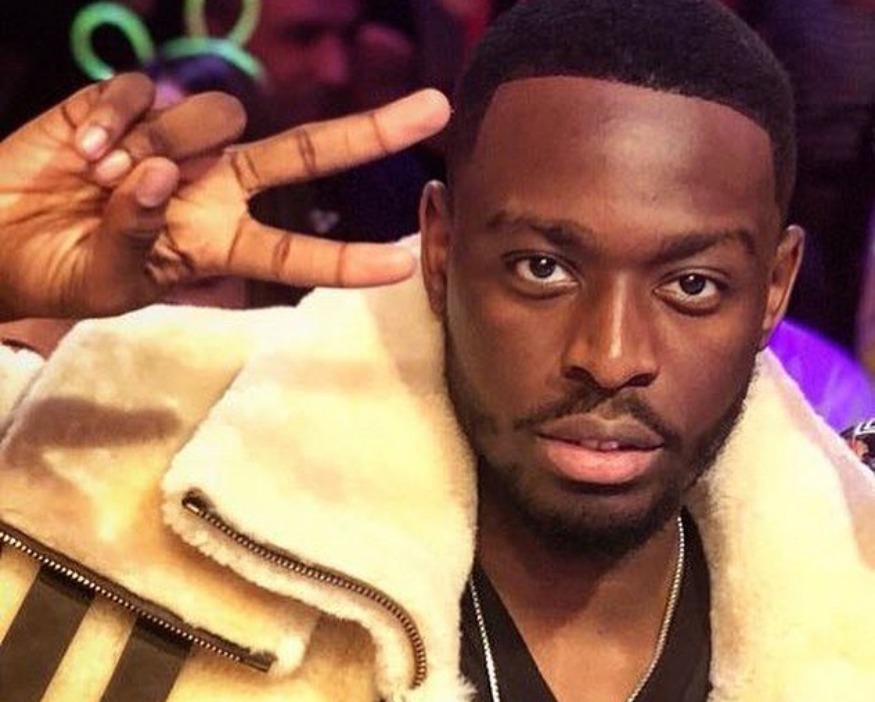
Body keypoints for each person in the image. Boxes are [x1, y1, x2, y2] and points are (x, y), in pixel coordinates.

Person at [0, 3, 872, 702]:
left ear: (774, 287)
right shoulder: (114, 482)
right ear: (441, 247)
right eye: (542, 268)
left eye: (691, 285)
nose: (609, 357)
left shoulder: (853, 593)